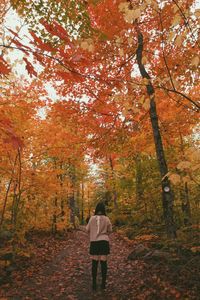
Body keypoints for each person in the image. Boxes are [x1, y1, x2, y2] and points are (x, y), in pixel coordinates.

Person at [86, 201, 112, 291]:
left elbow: (87, 229)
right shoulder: (107, 219)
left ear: (96, 209)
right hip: (104, 242)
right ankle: (103, 284)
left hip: (94, 242)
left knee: (95, 263)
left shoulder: (92, 219)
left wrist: (93, 232)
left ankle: (94, 284)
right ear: (103, 209)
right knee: (103, 263)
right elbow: (110, 230)